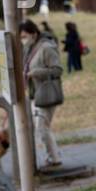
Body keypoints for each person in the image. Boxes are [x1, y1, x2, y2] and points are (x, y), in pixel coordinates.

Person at [19, 19, 64, 169]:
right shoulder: (29, 48)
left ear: (33, 33)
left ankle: (54, 158)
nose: (23, 39)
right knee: (42, 127)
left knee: (42, 127)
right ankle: (52, 157)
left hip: (47, 93)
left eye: (24, 35)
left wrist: (37, 73)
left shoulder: (46, 47)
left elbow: (58, 70)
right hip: (35, 94)